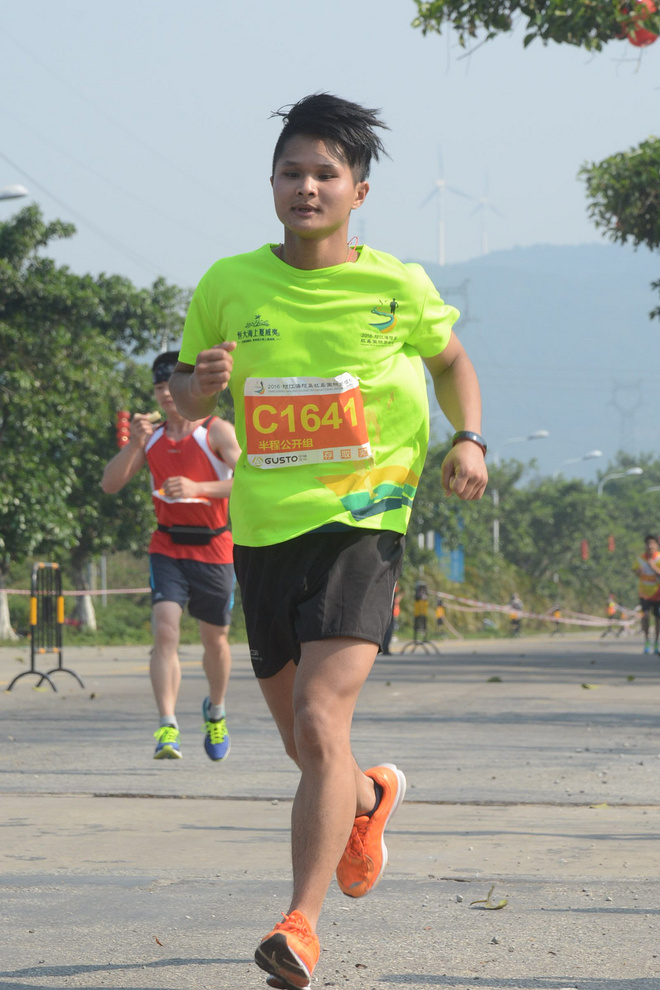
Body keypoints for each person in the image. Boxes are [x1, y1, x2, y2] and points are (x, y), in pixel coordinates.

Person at [169, 93, 488, 990]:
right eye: (291, 171)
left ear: (359, 191)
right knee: (312, 749)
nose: (306, 186)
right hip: (265, 532)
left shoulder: (397, 284)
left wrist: (470, 438)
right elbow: (187, 403)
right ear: (271, 184)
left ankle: (299, 927)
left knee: (320, 719)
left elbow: (453, 362)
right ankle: (370, 799)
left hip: (365, 519)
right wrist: (200, 385)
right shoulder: (227, 283)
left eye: (325, 173)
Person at [101, 351, 241, 760]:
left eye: (171, 385)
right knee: (165, 629)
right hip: (167, 545)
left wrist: (199, 488)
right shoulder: (154, 437)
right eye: (160, 387)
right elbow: (110, 484)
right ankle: (167, 725)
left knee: (214, 639)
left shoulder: (216, 431)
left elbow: (249, 478)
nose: (165, 394)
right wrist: (138, 444)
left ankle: (215, 711)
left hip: (215, 545)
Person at [631, 534, 660, 654]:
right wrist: (639, 572)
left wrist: (653, 567)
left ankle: (657, 642)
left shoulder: (659, 558)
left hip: (658, 594)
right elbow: (635, 572)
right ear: (645, 545)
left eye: (653, 543)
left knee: (658, 619)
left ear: (657, 545)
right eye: (648, 543)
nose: (650, 546)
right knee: (646, 616)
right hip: (644, 594)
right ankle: (647, 640)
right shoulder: (640, 558)